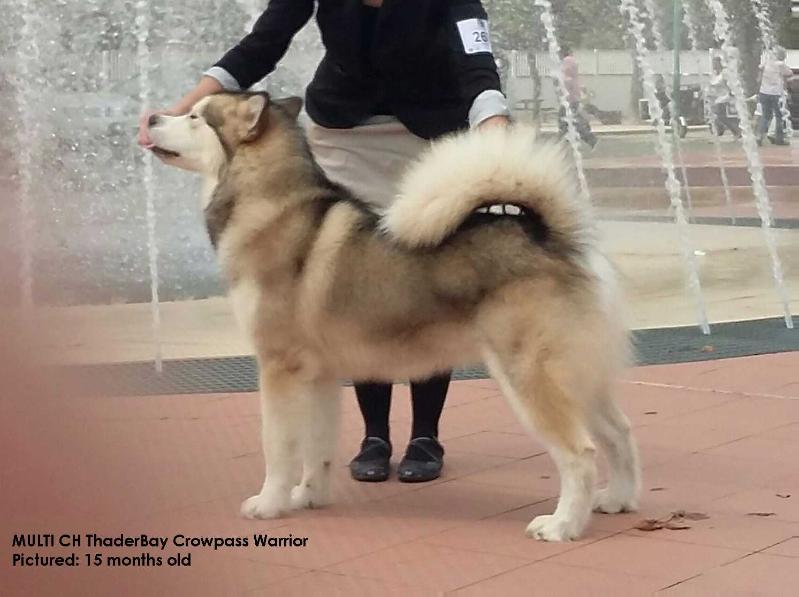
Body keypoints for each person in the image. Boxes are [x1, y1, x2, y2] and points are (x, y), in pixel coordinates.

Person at [138, 0, 510, 484]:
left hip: (432, 134)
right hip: (344, 132)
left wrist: (493, 125)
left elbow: (475, 60)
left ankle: (425, 435)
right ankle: (374, 435)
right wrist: (184, 109)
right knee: (355, 287)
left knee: (429, 281)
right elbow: (263, 43)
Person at [558, 45, 596, 149]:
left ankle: (589, 138)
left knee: (566, 120)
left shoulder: (568, 60)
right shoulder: (571, 61)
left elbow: (568, 74)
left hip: (570, 98)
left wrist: (564, 85)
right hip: (572, 97)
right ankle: (566, 141)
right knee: (569, 120)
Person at [756, 46, 792, 146]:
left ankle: (759, 136)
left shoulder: (766, 63)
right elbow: (789, 73)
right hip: (776, 94)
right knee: (779, 116)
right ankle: (779, 138)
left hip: (764, 92)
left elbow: (759, 77)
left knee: (765, 116)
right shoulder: (780, 64)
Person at [706, 56, 740, 138]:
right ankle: (721, 129)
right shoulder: (713, 75)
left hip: (724, 97)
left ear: (719, 63)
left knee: (721, 116)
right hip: (715, 98)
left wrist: (732, 92)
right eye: (713, 63)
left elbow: (728, 83)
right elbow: (710, 86)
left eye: (715, 63)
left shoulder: (724, 73)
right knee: (717, 116)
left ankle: (736, 131)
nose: (714, 65)